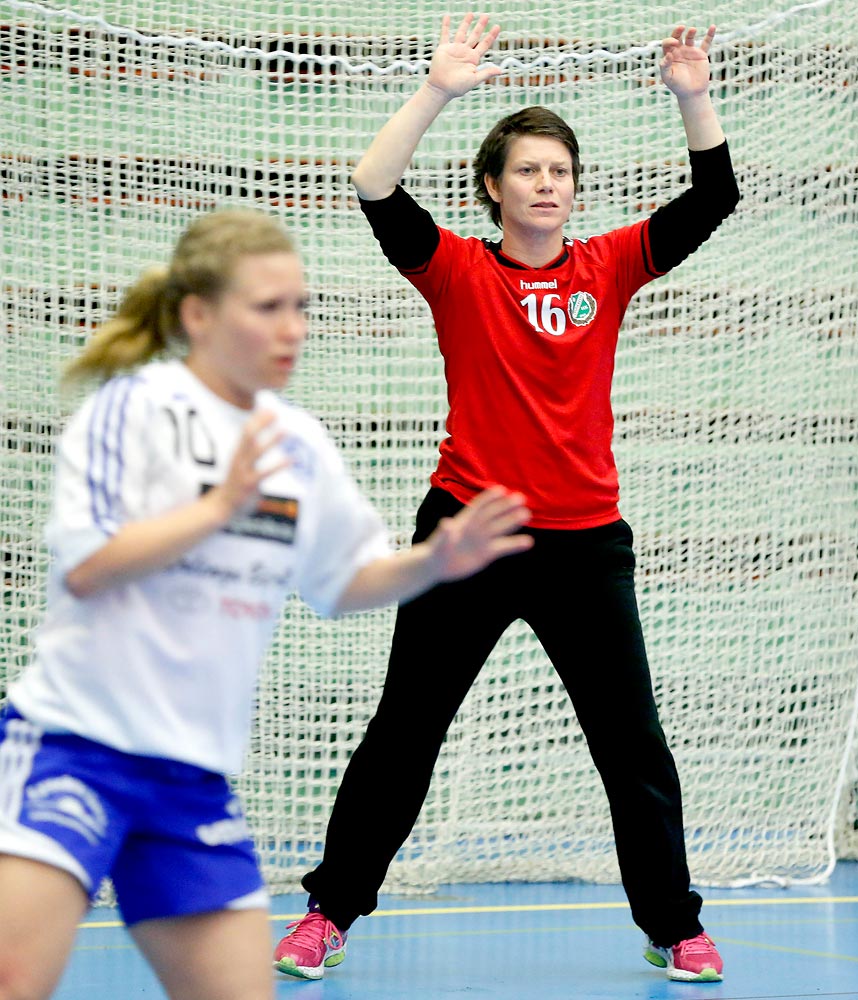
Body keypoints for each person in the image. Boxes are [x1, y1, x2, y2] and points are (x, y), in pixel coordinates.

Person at [273, 12, 739, 984]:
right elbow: (373, 185)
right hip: (465, 536)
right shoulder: (457, 271)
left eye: (559, 170)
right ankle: (328, 911)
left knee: (633, 749)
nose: (546, 184)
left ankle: (672, 923)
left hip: (585, 543)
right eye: (528, 169)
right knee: (405, 733)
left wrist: (691, 94)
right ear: (493, 187)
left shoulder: (609, 266)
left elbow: (714, 195)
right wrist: (438, 88)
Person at [0, 207, 532, 1000]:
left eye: (301, 308)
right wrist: (217, 508)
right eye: (268, 308)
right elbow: (89, 568)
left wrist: (432, 562)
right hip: (75, 751)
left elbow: (342, 583)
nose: (293, 329)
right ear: (199, 314)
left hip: (191, 782)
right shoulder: (130, 411)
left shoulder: (298, 443)